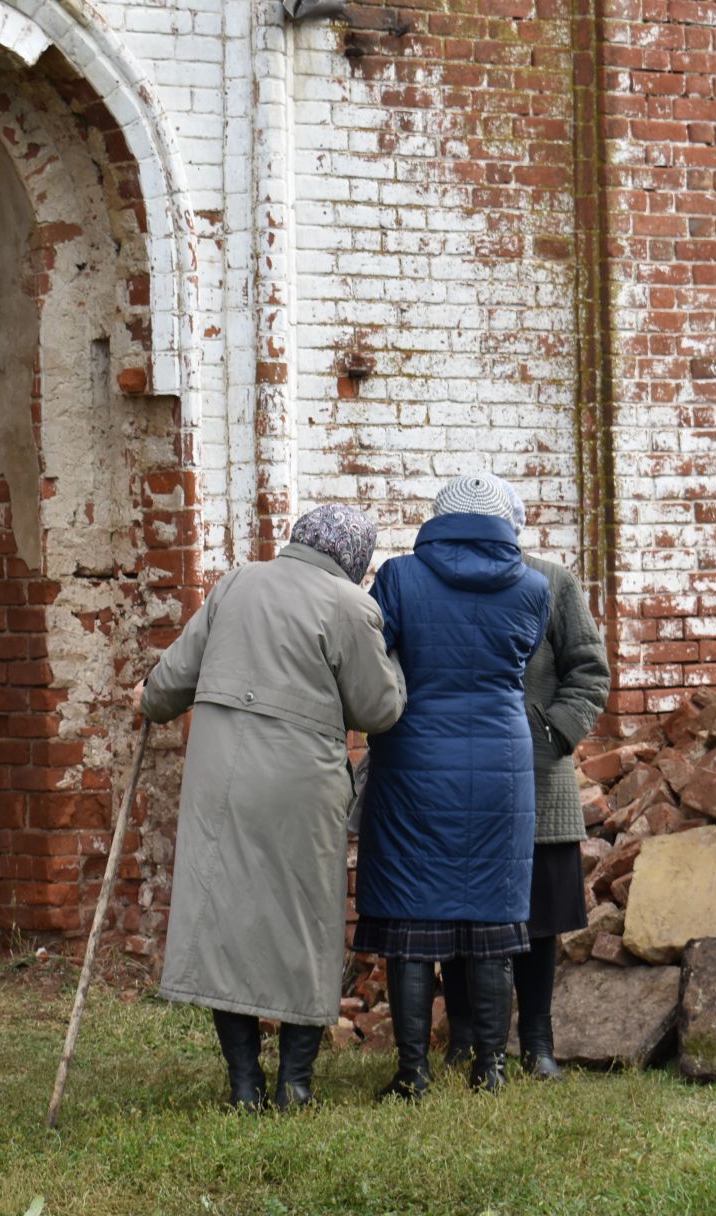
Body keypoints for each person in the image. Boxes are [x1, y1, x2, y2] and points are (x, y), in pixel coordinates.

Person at [140, 505, 407, 1111]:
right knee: (305, 924)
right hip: (300, 789)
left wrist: (148, 699)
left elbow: (169, 683)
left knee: (225, 919)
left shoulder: (236, 582)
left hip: (221, 782)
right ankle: (295, 1083)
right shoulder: (349, 604)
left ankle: (242, 1085)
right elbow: (379, 710)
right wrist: (394, 662)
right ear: (354, 560)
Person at [353, 476, 550, 1095]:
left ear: (438, 518)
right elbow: (523, 654)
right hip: (500, 764)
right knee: (492, 910)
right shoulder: (535, 587)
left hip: (414, 759)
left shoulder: (399, 579)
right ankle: (489, 1069)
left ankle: (413, 1074)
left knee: (409, 914)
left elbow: (375, 657)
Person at [439, 476, 611, 1078]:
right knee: (456, 915)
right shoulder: (436, 578)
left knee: (539, 920)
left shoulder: (552, 581)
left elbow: (589, 670)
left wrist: (552, 732)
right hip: (459, 780)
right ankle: (462, 1038)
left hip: (539, 780)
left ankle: (538, 1043)